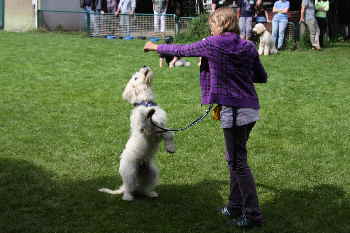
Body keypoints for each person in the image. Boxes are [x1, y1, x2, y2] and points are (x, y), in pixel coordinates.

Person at [144, 7, 267, 228]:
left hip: (236, 110)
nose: (210, 28)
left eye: (212, 24)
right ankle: (234, 206)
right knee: (234, 159)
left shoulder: (213, 43)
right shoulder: (248, 46)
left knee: (238, 162)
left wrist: (155, 46)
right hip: (251, 109)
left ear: (222, 24)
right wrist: (237, 70)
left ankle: (253, 214)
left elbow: (184, 49)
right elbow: (261, 76)